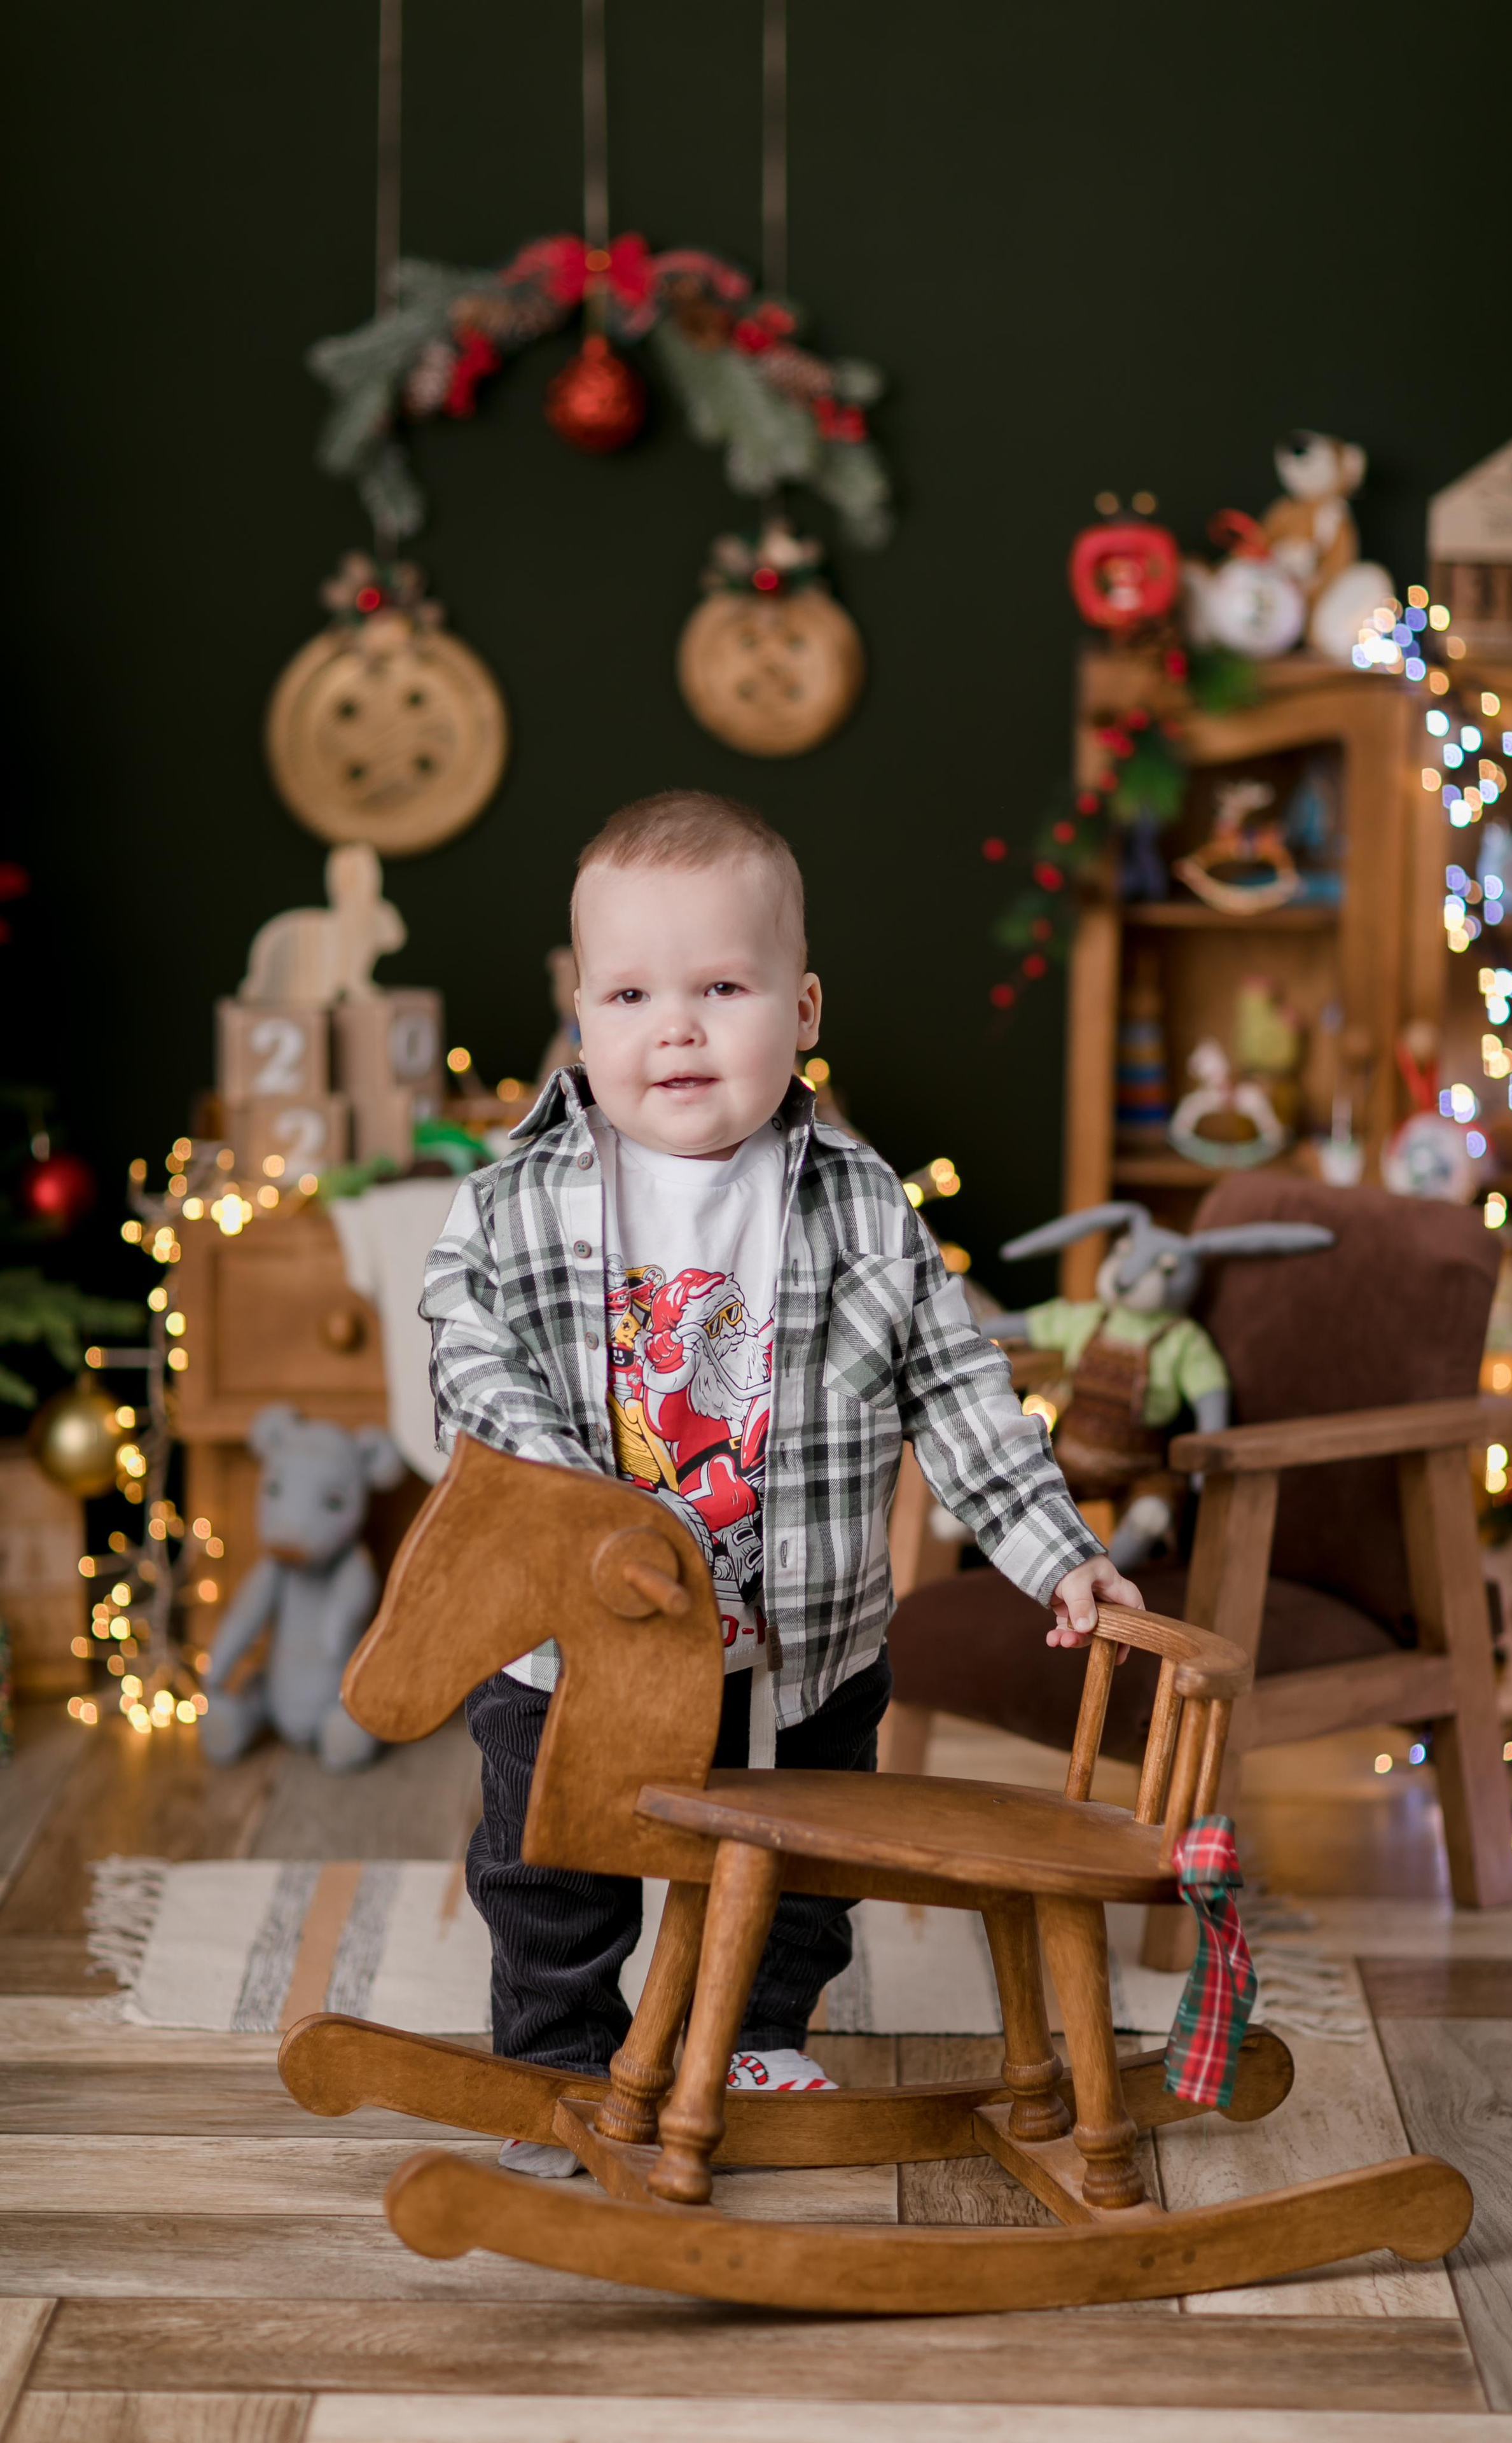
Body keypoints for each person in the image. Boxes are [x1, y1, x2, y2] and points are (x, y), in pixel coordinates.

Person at [422, 789, 1142, 2175]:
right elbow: (472, 1361)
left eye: (721, 986)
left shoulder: (860, 1205)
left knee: (802, 1862)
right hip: (575, 1645)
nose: (674, 1027)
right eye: (630, 992)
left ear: (802, 1010)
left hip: (796, 1641)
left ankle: (758, 2030)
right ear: (583, 1020)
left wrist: (1057, 1553)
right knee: (549, 1866)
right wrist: (591, 1516)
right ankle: (559, 2059)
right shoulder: (516, 1204)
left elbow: (958, 1390)